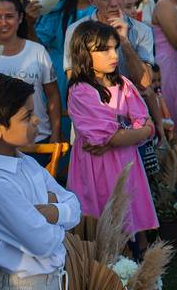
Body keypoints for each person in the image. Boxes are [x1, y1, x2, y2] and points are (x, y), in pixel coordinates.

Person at [0, 73, 81, 290]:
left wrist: (53, 212)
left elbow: (75, 207)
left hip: (51, 279)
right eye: (27, 116)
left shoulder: (25, 162)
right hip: (22, 284)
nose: (37, 120)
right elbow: (43, 243)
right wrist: (58, 210)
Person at [66, 21, 157, 255]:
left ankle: (137, 258)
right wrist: (141, 131)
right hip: (97, 168)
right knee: (104, 218)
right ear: (83, 53)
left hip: (126, 163)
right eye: (103, 50)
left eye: (115, 48)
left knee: (129, 210)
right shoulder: (80, 90)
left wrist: (128, 133)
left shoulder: (123, 83)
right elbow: (111, 136)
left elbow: (141, 118)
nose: (114, 55)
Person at [0, 0, 61, 143]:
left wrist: (56, 133)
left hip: (39, 139)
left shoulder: (37, 51)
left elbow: (53, 95)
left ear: (20, 18)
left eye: (9, 16)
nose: (3, 23)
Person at [63, 0, 154, 92]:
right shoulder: (75, 31)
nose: (114, 3)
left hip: (132, 103)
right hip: (93, 102)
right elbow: (75, 81)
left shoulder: (142, 31)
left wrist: (125, 42)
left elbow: (145, 83)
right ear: (92, 1)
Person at [35, 0, 101, 103]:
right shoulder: (57, 8)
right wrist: (29, 21)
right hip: (60, 77)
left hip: (95, 76)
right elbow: (39, 43)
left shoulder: (101, 9)